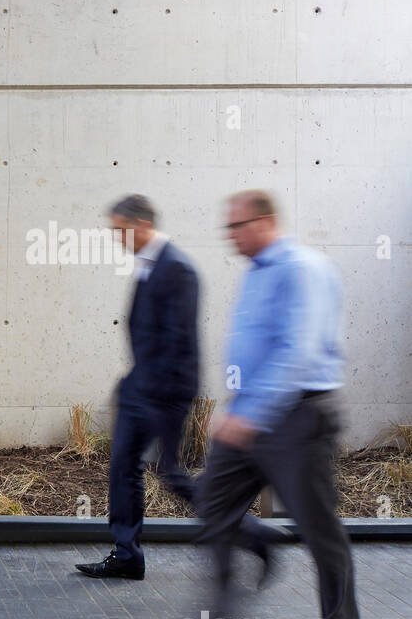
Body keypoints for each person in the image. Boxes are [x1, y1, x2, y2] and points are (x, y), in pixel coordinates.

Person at [76, 194, 271, 581]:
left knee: (170, 473)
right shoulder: (150, 266)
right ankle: (127, 553)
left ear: (143, 225)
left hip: (165, 393)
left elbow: (181, 341)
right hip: (142, 389)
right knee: (124, 465)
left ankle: (250, 534)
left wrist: (149, 392)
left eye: (121, 230)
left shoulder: (177, 269)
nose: (118, 238)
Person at [196, 191, 362, 619]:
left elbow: (299, 350)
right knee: (212, 500)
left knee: (319, 530)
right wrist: (240, 408)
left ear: (265, 222)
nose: (230, 237)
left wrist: (251, 414)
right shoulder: (255, 273)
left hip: (298, 417)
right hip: (251, 413)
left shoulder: (300, 269)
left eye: (237, 227)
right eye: (227, 228)